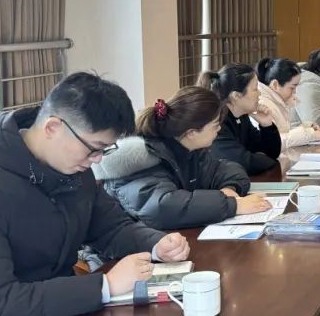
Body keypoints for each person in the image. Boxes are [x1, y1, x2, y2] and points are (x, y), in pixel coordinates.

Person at [0, 72, 190, 316]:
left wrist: (157, 245)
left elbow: (110, 227)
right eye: (94, 148)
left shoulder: (73, 169)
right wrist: (105, 286)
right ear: (53, 127)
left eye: (104, 150)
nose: (97, 160)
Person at [94, 87, 272, 230]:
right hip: (121, 253)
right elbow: (162, 207)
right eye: (215, 125)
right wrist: (233, 206)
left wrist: (229, 189)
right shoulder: (141, 159)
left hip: (163, 242)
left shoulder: (188, 149)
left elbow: (228, 169)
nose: (219, 130)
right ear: (192, 132)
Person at [198, 64, 281, 175]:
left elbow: (271, 152)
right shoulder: (217, 122)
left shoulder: (241, 117)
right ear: (236, 96)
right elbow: (244, 163)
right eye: (255, 89)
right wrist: (264, 158)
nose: (259, 93)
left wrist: (267, 125)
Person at [256, 57, 320, 150]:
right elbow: (273, 141)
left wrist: (306, 127)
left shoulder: (278, 100)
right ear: (275, 85)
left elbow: (283, 131)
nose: (295, 92)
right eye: (292, 87)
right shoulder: (263, 104)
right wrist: (308, 134)